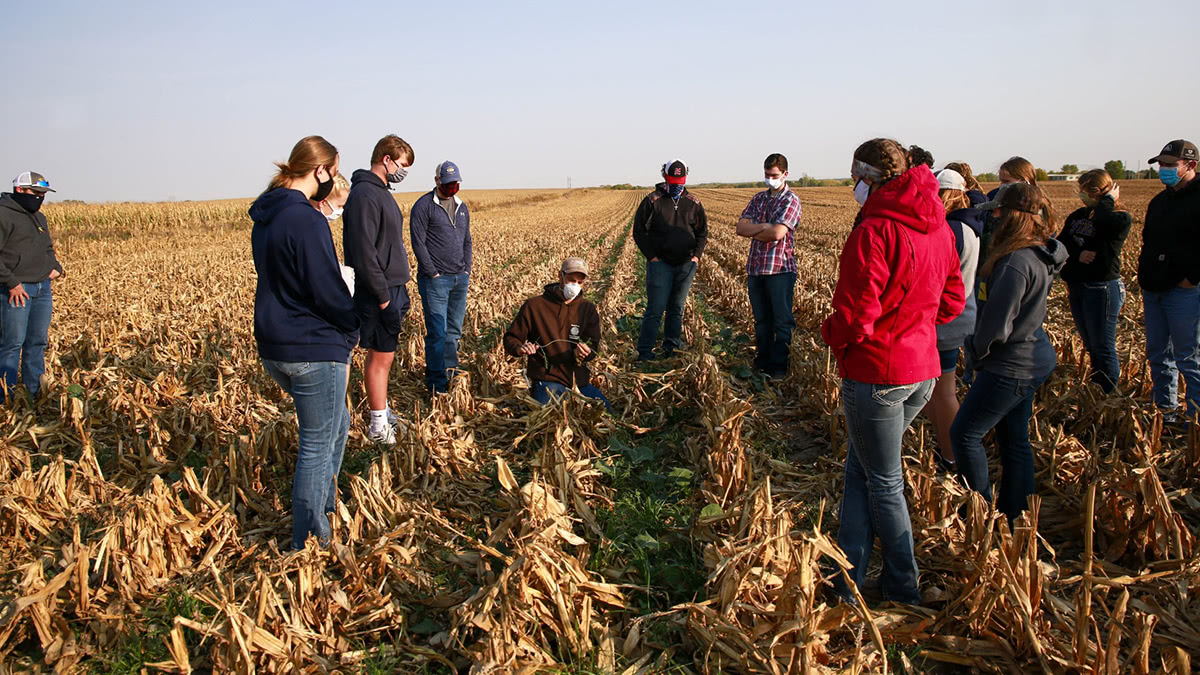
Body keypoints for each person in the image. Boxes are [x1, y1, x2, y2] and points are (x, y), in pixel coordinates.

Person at [821, 139, 965, 605]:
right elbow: (952, 303)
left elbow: (857, 317)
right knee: (861, 471)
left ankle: (904, 586)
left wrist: (830, 333)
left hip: (877, 374)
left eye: (855, 178)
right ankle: (846, 581)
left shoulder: (874, 231)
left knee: (883, 482)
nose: (853, 186)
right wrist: (913, 323)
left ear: (871, 177)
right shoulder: (938, 227)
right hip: (922, 371)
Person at [249, 136, 359, 551]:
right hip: (312, 345)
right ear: (320, 170)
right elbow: (326, 288)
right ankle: (311, 539)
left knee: (338, 424)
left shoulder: (267, 216)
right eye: (333, 171)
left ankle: (324, 508)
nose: (333, 179)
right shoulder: (307, 220)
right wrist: (352, 326)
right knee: (316, 443)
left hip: (276, 342)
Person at [951, 184, 1066, 523]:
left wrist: (975, 354)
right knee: (1014, 438)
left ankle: (978, 514)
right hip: (1030, 357)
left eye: (999, 213)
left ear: (1015, 217)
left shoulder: (1016, 261)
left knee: (964, 434)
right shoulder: (1037, 252)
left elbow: (997, 326)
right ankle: (1016, 514)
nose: (994, 219)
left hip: (1011, 364)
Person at [343, 135, 414, 443]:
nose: (403, 171)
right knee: (374, 356)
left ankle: (380, 414)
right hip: (379, 291)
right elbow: (363, 252)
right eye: (402, 164)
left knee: (383, 355)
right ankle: (376, 426)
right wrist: (384, 298)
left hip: (391, 287)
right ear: (386, 159)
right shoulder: (364, 195)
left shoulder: (380, 192)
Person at [922, 169, 983, 472]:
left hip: (944, 322)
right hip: (957, 317)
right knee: (936, 391)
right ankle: (947, 448)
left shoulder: (953, 229)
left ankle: (952, 456)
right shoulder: (968, 226)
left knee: (944, 391)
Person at [1139, 139, 1200, 422]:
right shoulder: (1160, 201)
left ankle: (1195, 421)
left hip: (1184, 291)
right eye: (1161, 164)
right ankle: (1165, 412)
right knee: (1158, 355)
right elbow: (1148, 241)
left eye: (1169, 164)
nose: (1163, 169)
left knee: (1189, 357)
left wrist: (1191, 279)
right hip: (1154, 289)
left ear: (1191, 165)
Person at [1058, 169, 1132, 394]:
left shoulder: (1120, 218)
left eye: (1090, 190)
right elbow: (1062, 243)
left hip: (1102, 288)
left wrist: (1108, 201)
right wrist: (1078, 254)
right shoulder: (1077, 216)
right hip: (1078, 285)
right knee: (1091, 344)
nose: (1084, 195)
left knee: (1102, 345)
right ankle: (1096, 389)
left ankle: (1107, 393)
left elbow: (1103, 222)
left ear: (1104, 191)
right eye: (1082, 189)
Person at [503, 257, 610, 409]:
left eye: (580, 282)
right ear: (560, 276)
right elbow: (511, 338)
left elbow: (593, 346)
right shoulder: (534, 306)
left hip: (578, 381)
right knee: (550, 417)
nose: (575, 285)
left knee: (606, 413)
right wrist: (520, 348)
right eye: (571, 280)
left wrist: (584, 353)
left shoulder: (587, 309)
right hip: (547, 381)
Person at [633, 159, 708, 361]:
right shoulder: (652, 201)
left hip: (685, 264)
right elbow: (639, 231)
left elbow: (702, 232)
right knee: (655, 309)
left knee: (676, 308)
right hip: (661, 264)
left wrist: (696, 257)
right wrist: (652, 257)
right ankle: (645, 352)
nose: (677, 185)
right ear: (664, 176)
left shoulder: (693, 203)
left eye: (680, 181)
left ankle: (671, 347)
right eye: (673, 181)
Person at [735, 153, 802, 378]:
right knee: (762, 321)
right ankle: (762, 363)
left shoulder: (791, 200)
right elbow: (741, 228)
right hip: (756, 268)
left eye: (774, 175)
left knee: (782, 322)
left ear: (785, 174)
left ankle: (779, 368)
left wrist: (757, 229)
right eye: (767, 175)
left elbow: (777, 233)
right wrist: (765, 227)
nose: (770, 179)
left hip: (780, 269)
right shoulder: (758, 199)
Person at [0, 172, 64, 403]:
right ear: (20, 190)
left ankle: (36, 393)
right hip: (16, 290)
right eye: (35, 192)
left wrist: (56, 267)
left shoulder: (39, 217)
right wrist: (12, 283)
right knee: (11, 344)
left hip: (42, 289)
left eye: (42, 193)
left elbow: (47, 248)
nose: (39, 197)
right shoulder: (3, 214)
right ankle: (5, 398)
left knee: (37, 342)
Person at [411, 161, 472, 395]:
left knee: (453, 332)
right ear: (437, 181)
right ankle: (436, 383)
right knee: (437, 332)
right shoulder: (423, 206)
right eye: (447, 184)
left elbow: (467, 240)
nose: (452, 188)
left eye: (455, 184)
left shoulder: (462, 207)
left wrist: (466, 270)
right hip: (436, 281)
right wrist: (433, 272)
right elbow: (418, 243)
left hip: (459, 279)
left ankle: (451, 373)